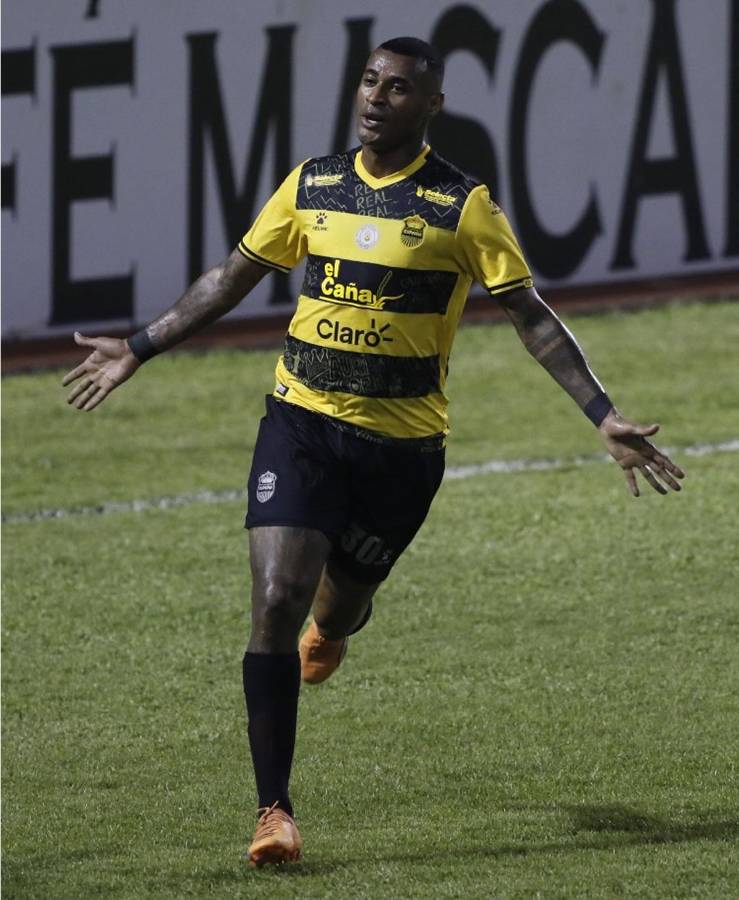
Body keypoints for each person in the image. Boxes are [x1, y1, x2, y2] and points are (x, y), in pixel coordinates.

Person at [62, 37, 685, 866]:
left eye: (397, 90)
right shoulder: (313, 183)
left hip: (399, 451)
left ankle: (340, 620)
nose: (375, 99)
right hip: (301, 421)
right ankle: (273, 811)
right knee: (278, 596)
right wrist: (140, 345)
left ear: (429, 106)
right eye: (367, 81)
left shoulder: (461, 208)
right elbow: (235, 272)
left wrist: (601, 414)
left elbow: (530, 316)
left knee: (338, 605)